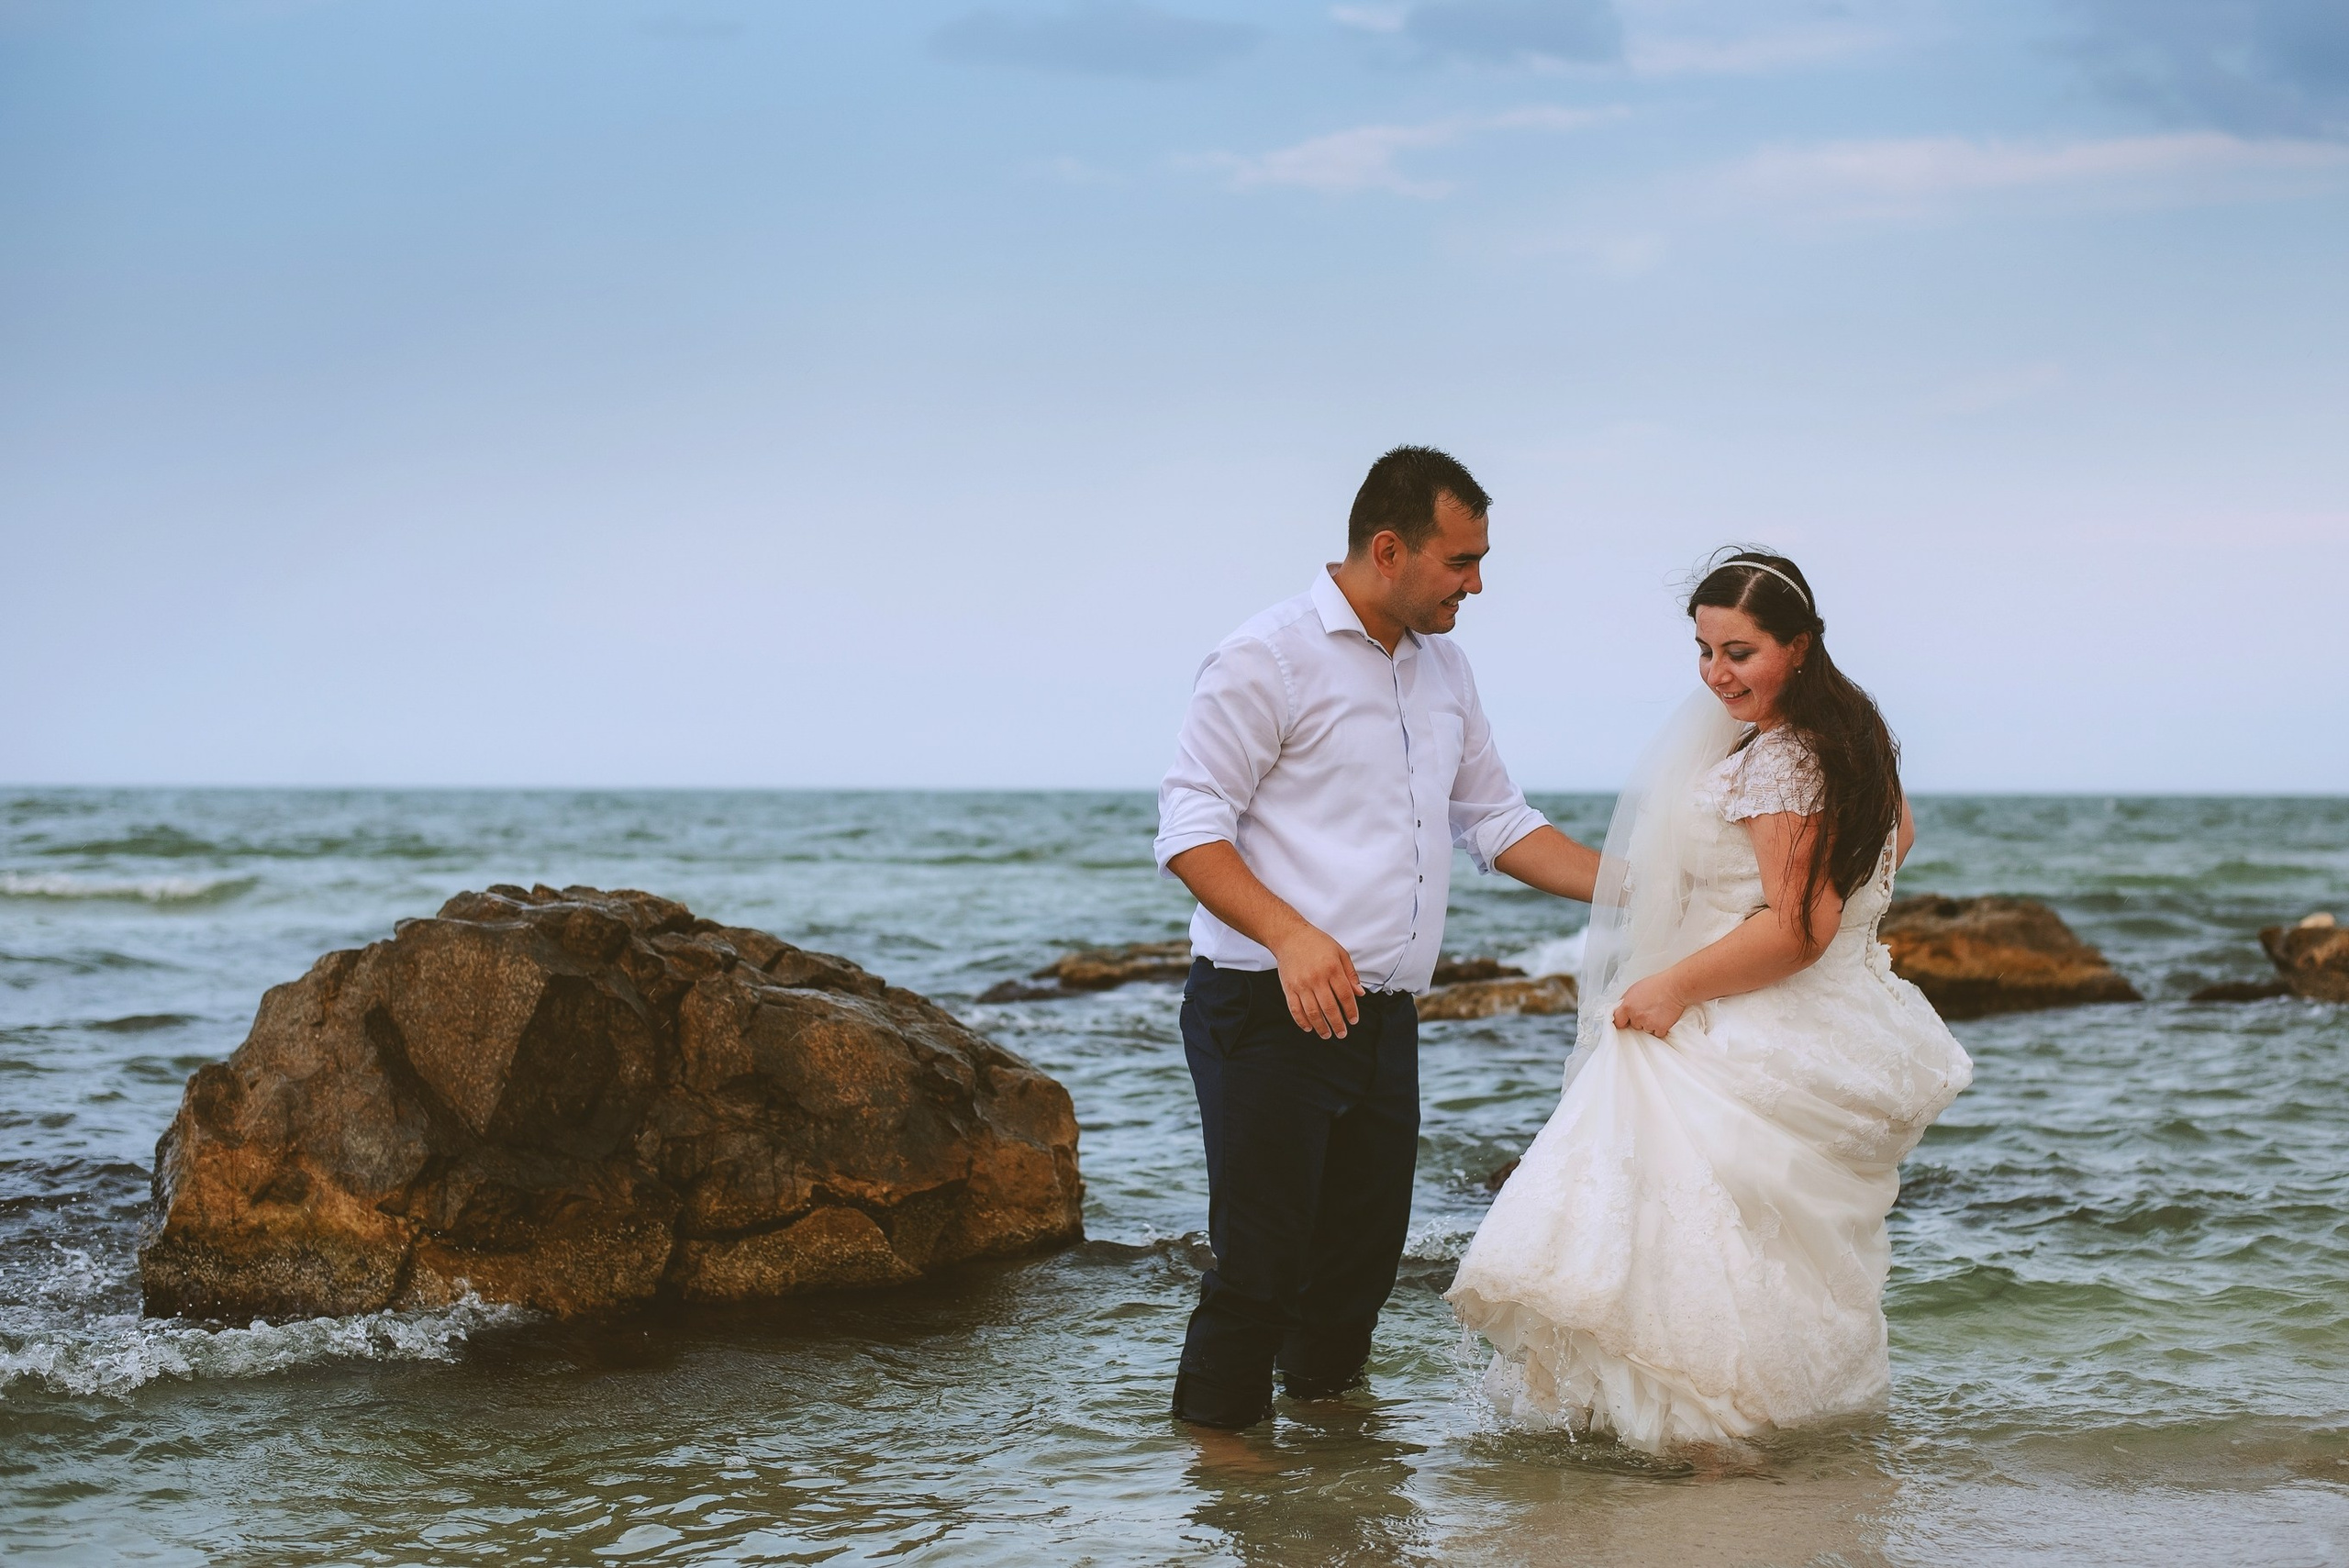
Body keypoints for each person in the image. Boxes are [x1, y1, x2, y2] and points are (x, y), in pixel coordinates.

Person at [1447, 550, 1974, 1452]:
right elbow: (1890, 851)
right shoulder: (1852, 738)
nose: (1716, 674)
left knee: (1700, 1237)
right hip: (1831, 1013)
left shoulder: (1779, 758)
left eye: (1740, 651)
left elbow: (1799, 925)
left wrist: (1673, 981)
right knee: (1765, 1248)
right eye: (1703, 650)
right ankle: (1753, 1446)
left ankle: (1708, 1443)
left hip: (1742, 1018)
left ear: (1798, 646)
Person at [1153, 445, 1601, 1430]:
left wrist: (1644, 889)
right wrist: (1291, 935)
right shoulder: (1262, 656)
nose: (1477, 583)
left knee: (1355, 1273)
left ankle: (1327, 1494)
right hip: (1265, 1009)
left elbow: (1497, 821)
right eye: (1460, 560)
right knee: (1260, 1267)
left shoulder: (1447, 668)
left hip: (1383, 1016)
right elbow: (1190, 829)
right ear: (1389, 548)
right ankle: (1227, 1491)